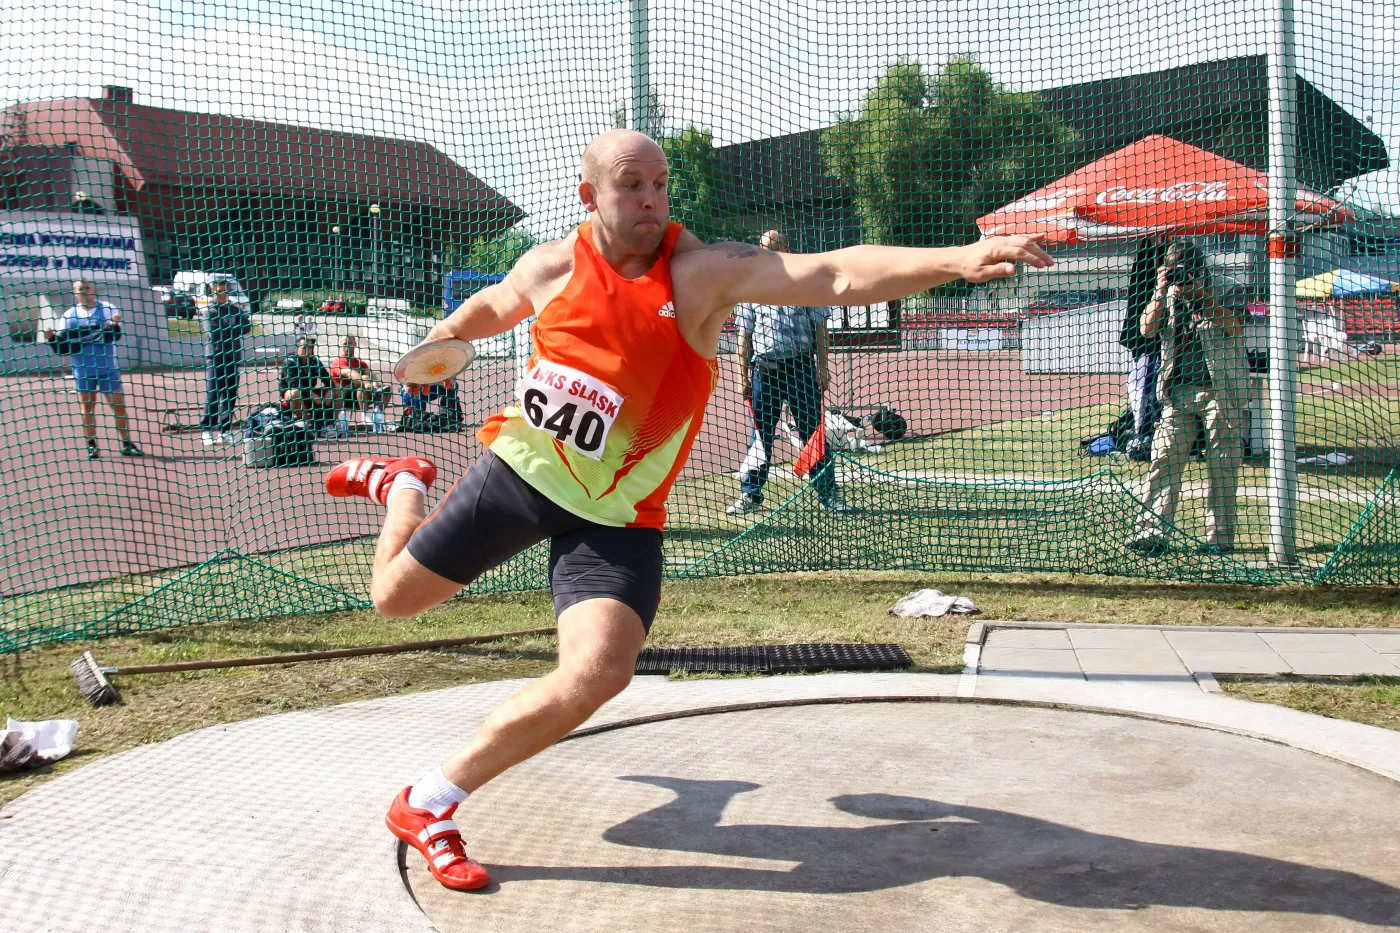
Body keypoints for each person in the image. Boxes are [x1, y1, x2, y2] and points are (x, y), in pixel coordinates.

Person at [321, 129, 1051, 892]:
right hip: (523, 473)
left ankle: (428, 801)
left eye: (661, 185)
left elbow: (833, 273)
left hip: (619, 515)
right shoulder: (553, 263)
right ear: (590, 196)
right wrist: (444, 336)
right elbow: (497, 302)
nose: (651, 200)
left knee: (599, 672)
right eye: (631, 185)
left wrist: (957, 259)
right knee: (393, 600)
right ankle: (403, 482)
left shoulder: (700, 274)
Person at [1130, 240, 1247, 556]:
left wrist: (1202, 297)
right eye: (1174, 270)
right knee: (1163, 459)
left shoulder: (1228, 288)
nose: (1181, 276)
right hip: (1178, 392)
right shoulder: (1167, 294)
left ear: (1200, 268)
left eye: (1185, 270)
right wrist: (1159, 291)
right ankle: (1151, 532)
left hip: (1222, 391)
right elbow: (1146, 330)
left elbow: (1234, 327)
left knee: (1222, 466)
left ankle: (1219, 538)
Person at [727, 229, 847, 515]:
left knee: (812, 433)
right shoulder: (750, 288)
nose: (766, 253)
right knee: (761, 436)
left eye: (773, 247)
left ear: (786, 250)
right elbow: (744, 336)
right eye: (762, 248)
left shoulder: (805, 282)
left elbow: (820, 328)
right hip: (764, 372)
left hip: (800, 368)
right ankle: (750, 496)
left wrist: (823, 368)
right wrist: (742, 375)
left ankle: (829, 494)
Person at [44, 278, 142, 460]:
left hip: (107, 368)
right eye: (80, 289)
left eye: (87, 287)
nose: (84, 291)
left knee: (118, 406)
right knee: (87, 408)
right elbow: (63, 348)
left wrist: (114, 325)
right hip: (82, 370)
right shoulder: (68, 316)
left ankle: (127, 444)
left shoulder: (107, 308)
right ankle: (92, 446)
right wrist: (51, 339)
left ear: (93, 289)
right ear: (75, 292)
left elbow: (115, 336)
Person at [1118, 236, 1169, 461]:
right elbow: (1137, 303)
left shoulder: (1175, 255)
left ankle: (1149, 432)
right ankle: (1143, 433)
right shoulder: (1146, 259)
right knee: (1143, 386)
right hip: (1146, 343)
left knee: (1158, 387)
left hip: (1170, 342)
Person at [200, 279, 251, 446]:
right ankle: (207, 430)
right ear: (213, 292)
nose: (223, 294)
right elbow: (215, 333)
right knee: (213, 393)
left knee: (229, 396)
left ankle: (225, 430)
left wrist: (231, 328)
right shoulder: (209, 311)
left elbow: (247, 327)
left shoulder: (234, 309)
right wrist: (234, 328)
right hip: (215, 357)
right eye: (219, 291)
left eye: (224, 291)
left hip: (233, 357)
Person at [329, 335, 391, 423]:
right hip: (342, 398)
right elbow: (348, 373)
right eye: (345, 344)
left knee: (387, 388)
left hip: (360, 397)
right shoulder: (338, 362)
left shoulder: (360, 363)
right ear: (341, 346)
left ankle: (377, 415)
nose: (347, 346)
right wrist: (366, 381)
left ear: (355, 344)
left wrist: (374, 384)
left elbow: (372, 377)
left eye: (350, 343)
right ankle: (365, 415)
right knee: (363, 381)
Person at [279, 336, 333, 421]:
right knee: (294, 392)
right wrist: (311, 394)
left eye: (310, 348)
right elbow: (294, 384)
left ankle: (332, 422)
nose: (307, 351)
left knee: (337, 389)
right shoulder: (290, 362)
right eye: (304, 348)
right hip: (293, 398)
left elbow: (327, 379)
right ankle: (306, 422)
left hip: (310, 396)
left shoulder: (315, 361)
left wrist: (330, 390)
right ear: (298, 349)